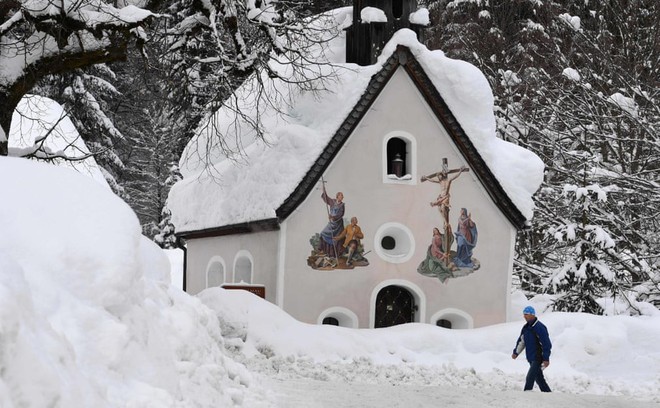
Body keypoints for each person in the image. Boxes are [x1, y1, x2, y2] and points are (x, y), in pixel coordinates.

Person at [512, 306, 552, 392]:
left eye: (526, 314)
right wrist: (516, 352)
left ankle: (526, 393)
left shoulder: (539, 327)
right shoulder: (526, 328)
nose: (524, 316)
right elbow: (522, 342)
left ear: (532, 315)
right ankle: (548, 394)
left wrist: (546, 358)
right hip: (530, 357)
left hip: (538, 357)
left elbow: (546, 344)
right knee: (539, 379)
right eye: (524, 314)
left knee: (530, 377)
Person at [318, 185, 345, 258]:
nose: (342, 197)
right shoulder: (332, 201)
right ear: (337, 196)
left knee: (335, 239)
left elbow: (341, 214)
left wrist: (333, 217)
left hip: (338, 224)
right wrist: (324, 191)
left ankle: (333, 254)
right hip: (332, 223)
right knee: (323, 233)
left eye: (342, 196)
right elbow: (326, 199)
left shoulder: (342, 205)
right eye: (341, 196)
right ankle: (323, 250)